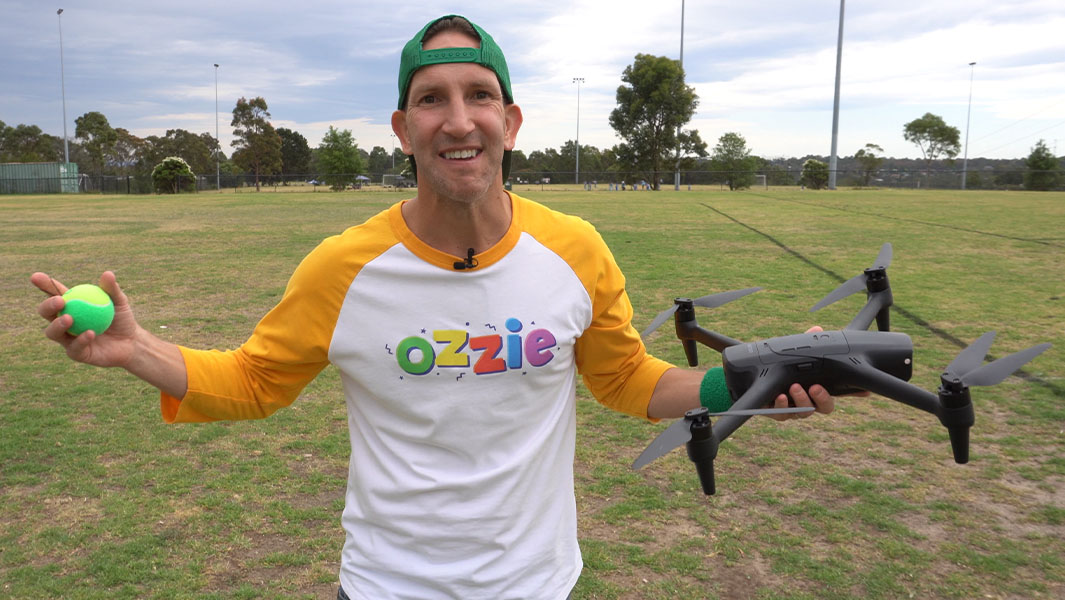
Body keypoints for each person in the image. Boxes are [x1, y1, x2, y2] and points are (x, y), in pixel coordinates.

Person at [32, 15, 836, 600]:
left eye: (479, 95)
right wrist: (136, 349)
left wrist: (747, 384)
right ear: (402, 127)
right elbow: (252, 382)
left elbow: (627, 380)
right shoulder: (343, 267)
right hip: (388, 585)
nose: (459, 119)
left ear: (510, 121)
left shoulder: (575, 250)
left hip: (537, 583)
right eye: (431, 100)